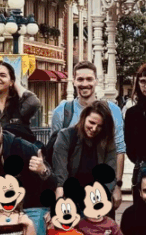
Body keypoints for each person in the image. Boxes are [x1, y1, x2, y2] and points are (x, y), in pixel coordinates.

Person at [50, 61, 127, 209]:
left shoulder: (113, 110)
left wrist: (117, 185)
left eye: (89, 79)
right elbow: (55, 154)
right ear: (74, 81)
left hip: (100, 191)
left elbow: (118, 150)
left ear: (96, 81)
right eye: (80, 79)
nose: (85, 84)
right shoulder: (62, 111)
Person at [51, 101, 119, 197]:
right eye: (91, 123)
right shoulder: (66, 136)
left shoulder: (107, 141)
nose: (94, 129)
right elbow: (60, 174)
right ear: (83, 118)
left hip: (96, 196)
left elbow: (110, 175)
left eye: (100, 126)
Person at [0, 59, 42, 143]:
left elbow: (34, 103)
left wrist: (17, 85)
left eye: (2, 75)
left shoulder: (19, 104)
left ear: (11, 82)